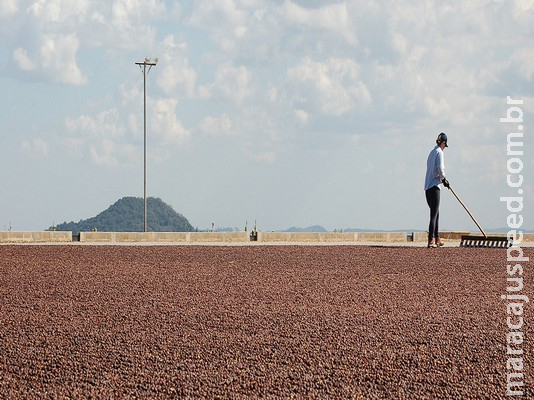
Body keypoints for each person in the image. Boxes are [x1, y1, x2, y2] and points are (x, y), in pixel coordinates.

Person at [424, 132, 450, 248]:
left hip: (427, 187)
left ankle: (437, 238)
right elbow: (440, 169)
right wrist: (444, 180)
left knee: (436, 213)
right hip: (434, 187)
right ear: (443, 143)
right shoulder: (439, 152)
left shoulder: (432, 152)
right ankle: (431, 240)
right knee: (434, 214)